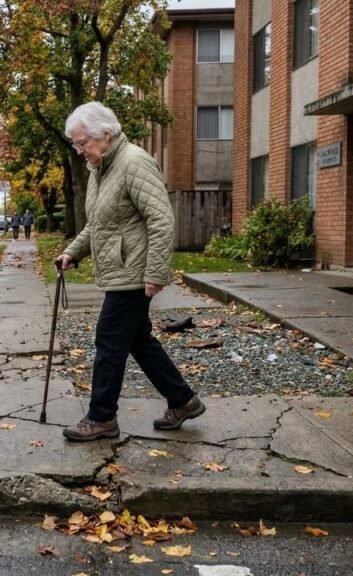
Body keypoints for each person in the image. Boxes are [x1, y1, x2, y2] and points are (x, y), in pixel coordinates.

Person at [55, 101, 205, 442]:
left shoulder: (134, 162)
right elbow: (99, 225)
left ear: (105, 135)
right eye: (77, 145)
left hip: (134, 273)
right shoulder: (101, 170)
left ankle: (102, 417)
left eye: (83, 143)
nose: (80, 151)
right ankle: (183, 400)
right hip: (122, 269)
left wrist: (155, 272)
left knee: (108, 341)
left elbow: (162, 219)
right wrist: (71, 253)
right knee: (138, 340)